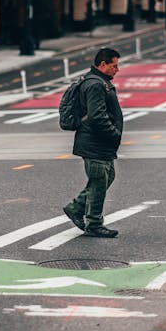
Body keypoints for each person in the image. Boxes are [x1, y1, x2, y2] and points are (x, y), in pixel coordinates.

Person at [63, 47, 123, 238]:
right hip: (95, 142)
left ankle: (76, 207)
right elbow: (97, 116)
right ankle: (94, 224)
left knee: (107, 177)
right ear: (103, 64)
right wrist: (113, 133)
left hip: (99, 143)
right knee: (98, 182)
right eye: (114, 65)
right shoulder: (96, 84)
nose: (117, 69)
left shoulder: (98, 81)